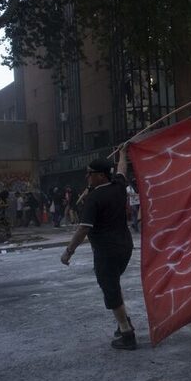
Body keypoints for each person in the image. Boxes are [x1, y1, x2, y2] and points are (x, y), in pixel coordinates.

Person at [61, 150, 136, 350]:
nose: (86, 176)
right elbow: (122, 169)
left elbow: (83, 228)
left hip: (106, 251)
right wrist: (123, 153)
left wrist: (68, 251)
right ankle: (125, 323)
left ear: (100, 175)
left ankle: (127, 334)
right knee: (113, 284)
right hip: (125, 247)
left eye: (89, 173)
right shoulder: (119, 186)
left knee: (110, 290)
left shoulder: (94, 198)